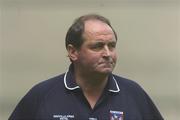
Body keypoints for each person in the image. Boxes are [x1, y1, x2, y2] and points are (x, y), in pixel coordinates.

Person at [9, 14, 164, 120]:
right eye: (97, 46)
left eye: (112, 46)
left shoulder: (134, 95)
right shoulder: (42, 96)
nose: (107, 53)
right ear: (73, 52)